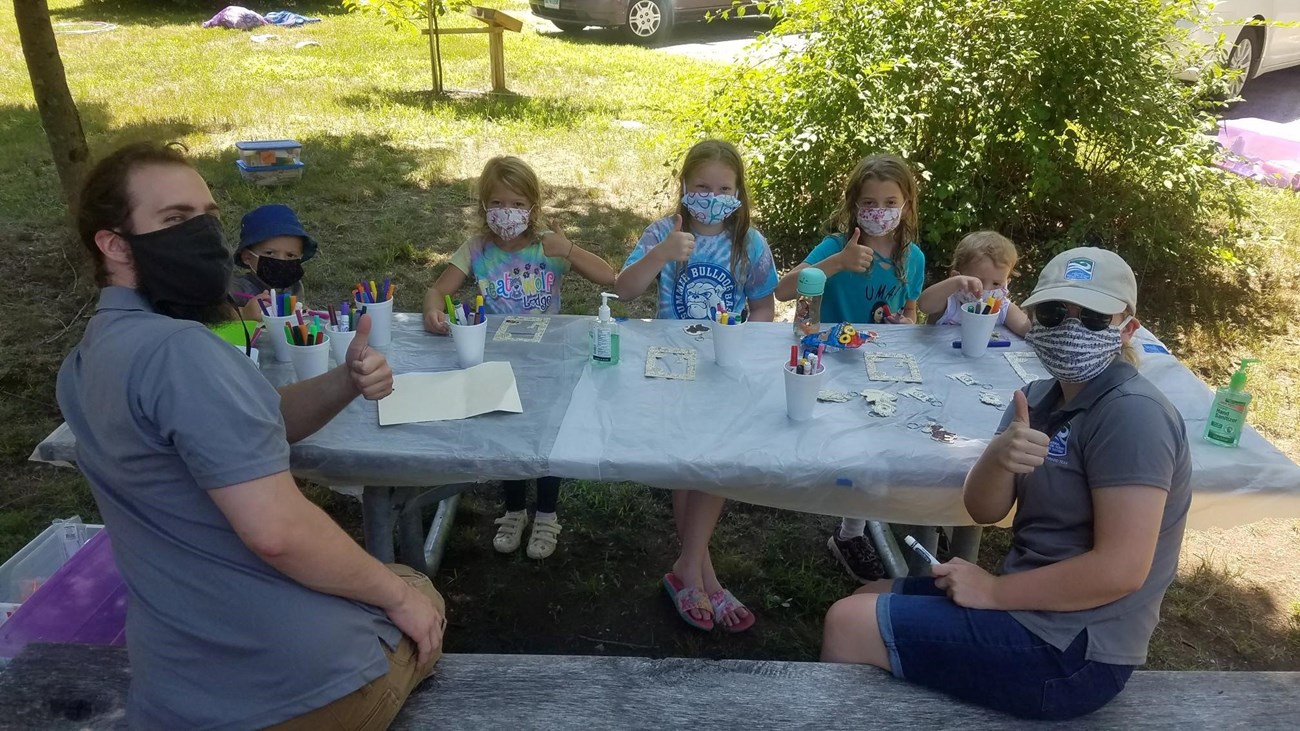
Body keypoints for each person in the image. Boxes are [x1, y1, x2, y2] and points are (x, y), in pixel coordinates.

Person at [57, 142, 446, 730]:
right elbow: (277, 533)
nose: (204, 234)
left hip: (177, 681)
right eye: (175, 220)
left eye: (208, 216)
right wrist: (397, 600)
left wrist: (344, 380)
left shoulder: (88, 359)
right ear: (113, 245)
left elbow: (248, 422)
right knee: (418, 589)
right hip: (282, 692)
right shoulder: (181, 352)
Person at [820, 247, 1191, 721]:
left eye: (1095, 318)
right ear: (1034, 317)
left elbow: (1121, 570)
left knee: (848, 622)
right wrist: (998, 456)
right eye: (1055, 313)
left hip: (1075, 651)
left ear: (1127, 328)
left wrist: (994, 593)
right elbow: (984, 510)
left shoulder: (1132, 413)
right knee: (864, 596)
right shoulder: (1038, 397)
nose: (1071, 328)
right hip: (1034, 610)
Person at [615, 139, 777, 633]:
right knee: (691, 462)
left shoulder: (748, 241)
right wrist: (661, 253)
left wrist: (749, 340)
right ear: (684, 188)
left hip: (724, 363)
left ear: (739, 193)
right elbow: (624, 290)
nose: (713, 196)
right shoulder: (665, 231)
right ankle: (701, 573)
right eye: (702, 187)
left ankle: (691, 570)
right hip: (671, 365)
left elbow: (765, 303)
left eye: (724, 188)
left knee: (713, 458)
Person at [422, 155, 615, 560]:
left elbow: (608, 276)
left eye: (515, 203)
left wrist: (571, 249)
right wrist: (433, 310)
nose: (505, 213)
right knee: (507, 434)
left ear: (532, 206)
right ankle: (513, 509)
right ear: (483, 208)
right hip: (498, 359)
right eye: (495, 203)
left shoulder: (549, 245)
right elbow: (439, 289)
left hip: (548, 362)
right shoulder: (477, 249)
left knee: (546, 436)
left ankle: (546, 512)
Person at [773, 153, 925, 584]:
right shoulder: (835, 247)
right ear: (854, 206)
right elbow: (784, 290)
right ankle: (850, 531)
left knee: (881, 442)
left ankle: (858, 525)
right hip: (830, 362)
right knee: (851, 446)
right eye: (869, 202)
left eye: (890, 201)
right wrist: (836, 263)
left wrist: (906, 321)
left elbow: (910, 309)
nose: (880, 212)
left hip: (878, 365)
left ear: (907, 204)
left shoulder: (911, 258)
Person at [917, 230, 1030, 336]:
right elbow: (924, 305)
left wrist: (1038, 312)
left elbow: (1027, 330)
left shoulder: (1002, 307)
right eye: (977, 281)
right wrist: (954, 283)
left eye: (996, 284)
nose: (985, 290)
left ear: (1007, 283)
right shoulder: (949, 303)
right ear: (956, 276)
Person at [231, 204, 318, 321]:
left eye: (290, 255)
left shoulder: (294, 286)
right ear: (247, 257)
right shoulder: (237, 289)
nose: (281, 260)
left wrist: (302, 312)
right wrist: (244, 314)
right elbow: (211, 320)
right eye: (270, 253)